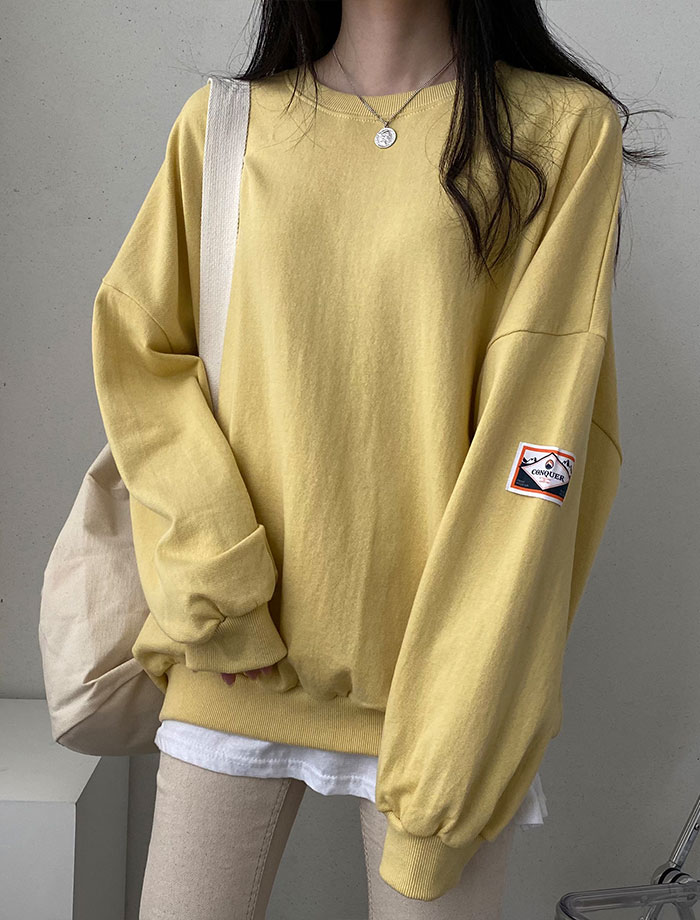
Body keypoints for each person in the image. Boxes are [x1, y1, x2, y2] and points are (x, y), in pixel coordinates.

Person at [90, 0, 661, 916]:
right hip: (235, 659)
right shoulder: (226, 125)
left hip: (442, 692)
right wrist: (217, 588)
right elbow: (141, 361)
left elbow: (541, 436)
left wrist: (468, 695)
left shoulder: (560, 131)